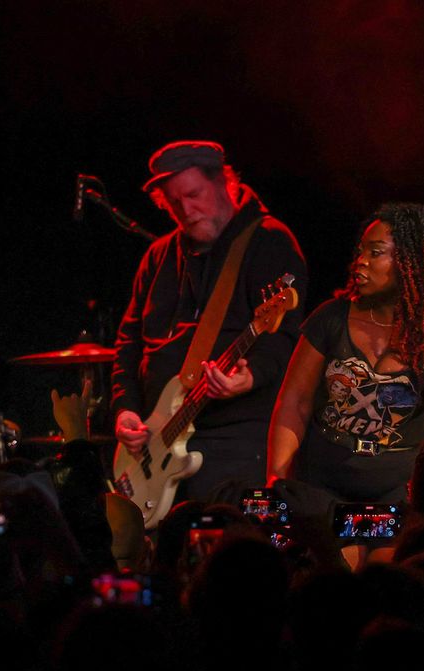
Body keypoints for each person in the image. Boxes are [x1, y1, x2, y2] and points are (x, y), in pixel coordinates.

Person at [112, 140, 308, 500]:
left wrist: (251, 376)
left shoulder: (267, 242)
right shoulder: (158, 257)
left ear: (224, 182)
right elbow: (129, 343)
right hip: (154, 445)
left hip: (232, 442)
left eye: (194, 194)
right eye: (173, 203)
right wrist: (125, 408)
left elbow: (288, 337)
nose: (186, 210)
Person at [267, 203, 424, 505]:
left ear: (411, 262)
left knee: (388, 554)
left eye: (375, 252)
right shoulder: (332, 317)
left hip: (399, 491)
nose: (360, 262)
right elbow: (295, 402)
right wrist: (278, 479)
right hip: (321, 485)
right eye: (360, 251)